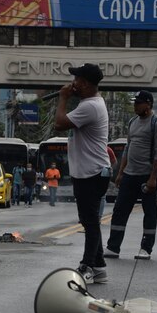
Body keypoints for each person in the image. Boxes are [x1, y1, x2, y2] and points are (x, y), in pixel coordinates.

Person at [54, 63, 111, 284]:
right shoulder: (91, 103)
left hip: (92, 172)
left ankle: (87, 265)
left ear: (85, 84)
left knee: (90, 222)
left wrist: (63, 98)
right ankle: (99, 267)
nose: (73, 83)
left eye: (76, 79)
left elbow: (59, 123)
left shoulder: (90, 107)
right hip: (90, 172)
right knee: (89, 220)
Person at [104, 90, 157, 261]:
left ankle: (146, 248)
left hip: (147, 175)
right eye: (135, 102)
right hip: (129, 175)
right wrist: (120, 172)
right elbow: (127, 148)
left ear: (148, 104)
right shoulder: (133, 122)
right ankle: (113, 247)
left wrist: (153, 177)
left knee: (149, 212)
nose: (135, 106)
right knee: (119, 210)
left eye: (138, 103)